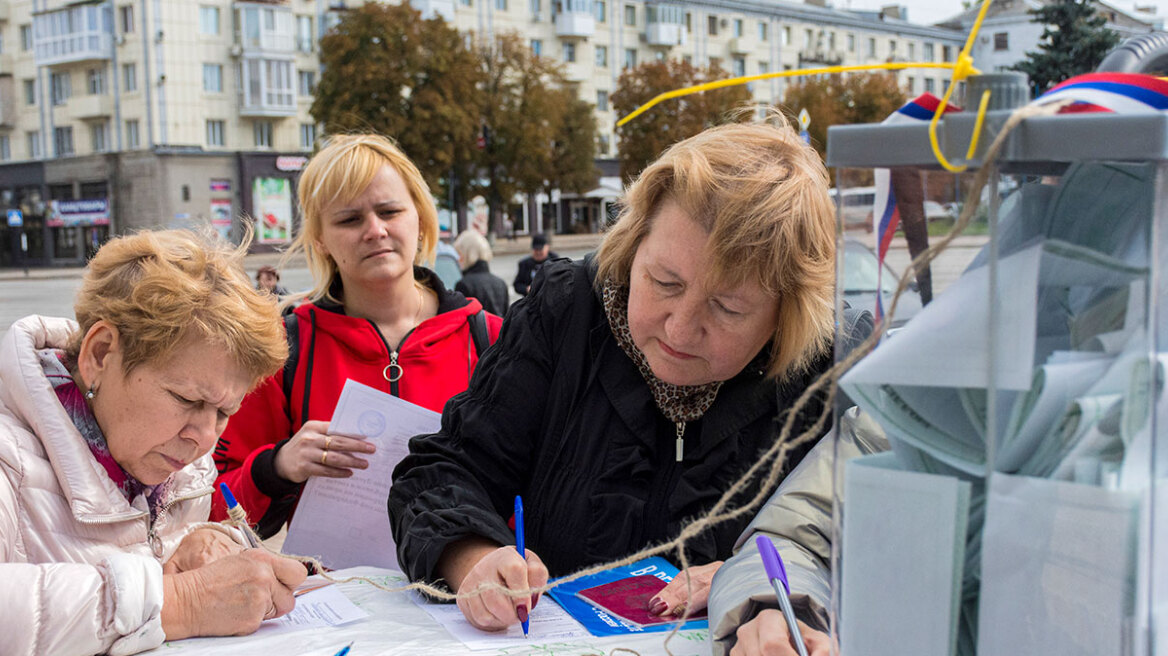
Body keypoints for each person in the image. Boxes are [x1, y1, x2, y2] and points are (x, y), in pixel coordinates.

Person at [390, 118, 837, 635]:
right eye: (664, 282)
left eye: (728, 308)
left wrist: (757, 578)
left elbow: (861, 545)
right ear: (632, 244)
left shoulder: (826, 370)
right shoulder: (567, 312)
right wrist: (472, 558)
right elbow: (442, 471)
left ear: (788, 315)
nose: (681, 328)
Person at [0, 229, 306, 656]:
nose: (202, 438)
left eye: (224, 413)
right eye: (185, 399)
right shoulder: (8, 456)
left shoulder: (180, 461)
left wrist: (202, 543)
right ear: (101, 353)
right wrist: (181, 602)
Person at [211, 134, 503, 537]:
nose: (375, 230)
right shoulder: (282, 348)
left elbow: (537, 485)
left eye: (389, 211)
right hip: (331, 595)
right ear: (320, 239)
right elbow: (214, 510)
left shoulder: (491, 338)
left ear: (419, 218)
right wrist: (275, 467)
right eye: (349, 219)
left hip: (465, 591)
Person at [453, 230, 510, 317]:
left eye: (459, 254)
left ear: (467, 254)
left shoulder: (464, 284)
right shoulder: (500, 283)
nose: (458, 259)